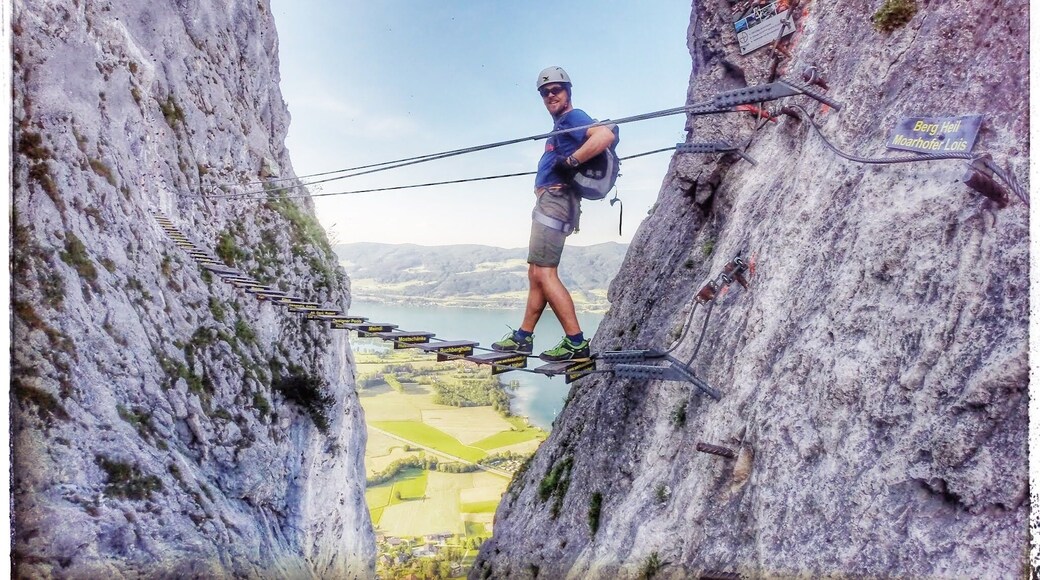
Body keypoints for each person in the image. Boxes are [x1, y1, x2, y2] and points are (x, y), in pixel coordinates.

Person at [492, 66, 615, 362]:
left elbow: (605, 135)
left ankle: (576, 342)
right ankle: (523, 337)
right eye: (545, 92)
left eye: (556, 89)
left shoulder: (573, 118)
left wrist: (571, 161)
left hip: (555, 201)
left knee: (545, 273)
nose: (551, 95)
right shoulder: (561, 126)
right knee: (536, 273)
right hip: (551, 202)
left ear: (568, 92)